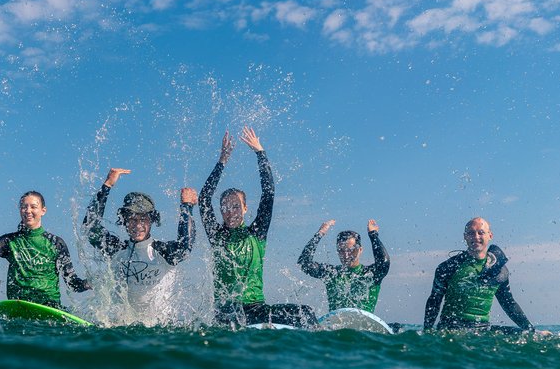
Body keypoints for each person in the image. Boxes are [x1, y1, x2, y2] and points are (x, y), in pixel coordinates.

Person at [199, 127, 316, 328]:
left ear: (245, 208)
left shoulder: (257, 233)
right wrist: (222, 162)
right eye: (225, 207)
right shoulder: (216, 235)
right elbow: (203, 198)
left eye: (236, 206)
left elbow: (268, 193)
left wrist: (260, 153)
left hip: (255, 309)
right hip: (226, 311)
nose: (230, 212)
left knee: (305, 313)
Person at [82, 167, 196, 325]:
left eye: (143, 219)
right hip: (122, 327)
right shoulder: (117, 250)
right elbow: (90, 228)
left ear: (151, 221)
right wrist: (107, 185)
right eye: (132, 219)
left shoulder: (162, 252)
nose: (138, 225)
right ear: (125, 221)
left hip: (159, 328)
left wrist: (187, 207)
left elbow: (185, 247)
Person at [0, 191, 91, 309]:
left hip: (49, 308)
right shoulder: (9, 241)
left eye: (33, 206)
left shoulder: (56, 243)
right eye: (24, 207)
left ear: (43, 210)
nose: (28, 210)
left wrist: (94, 283)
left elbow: (73, 284)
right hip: (19, 306)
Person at [423, 217, 534, 331]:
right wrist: (427, 331)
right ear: (465, 237)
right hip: (451, 328)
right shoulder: (449, 267)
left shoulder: (499, 271)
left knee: (525, 334)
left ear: (490, 236)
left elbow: (509, 304)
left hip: (482, 330)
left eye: (481, 232)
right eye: (471, 233)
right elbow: (434, 300)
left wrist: (531, 330)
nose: (476, 237)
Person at [298, 219, 390, 313]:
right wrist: (319, 234)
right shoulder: (331, 273)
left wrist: (373, 235)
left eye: (351, 250)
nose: (346, 255)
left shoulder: (371, 274)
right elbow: (304, 263)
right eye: (341, 250)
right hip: (336, 325)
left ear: (360, 250)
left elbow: (384, 263)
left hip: (364, 325)